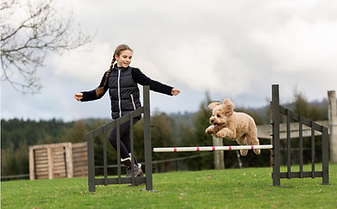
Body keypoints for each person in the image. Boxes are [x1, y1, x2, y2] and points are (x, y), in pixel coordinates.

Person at [74, 44, 180, 179]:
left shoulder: (133, 72)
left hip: (132, 112)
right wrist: (84, 95)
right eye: (125, 57)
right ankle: (138, 174)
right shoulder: (108, 75)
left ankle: (131, 167)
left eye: (130, 57)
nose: (128, 60)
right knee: (126, 144)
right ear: (116, 57)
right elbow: (99, 92)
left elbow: (150, 83)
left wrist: (169, 90)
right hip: (118, 115)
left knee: (113, 137)